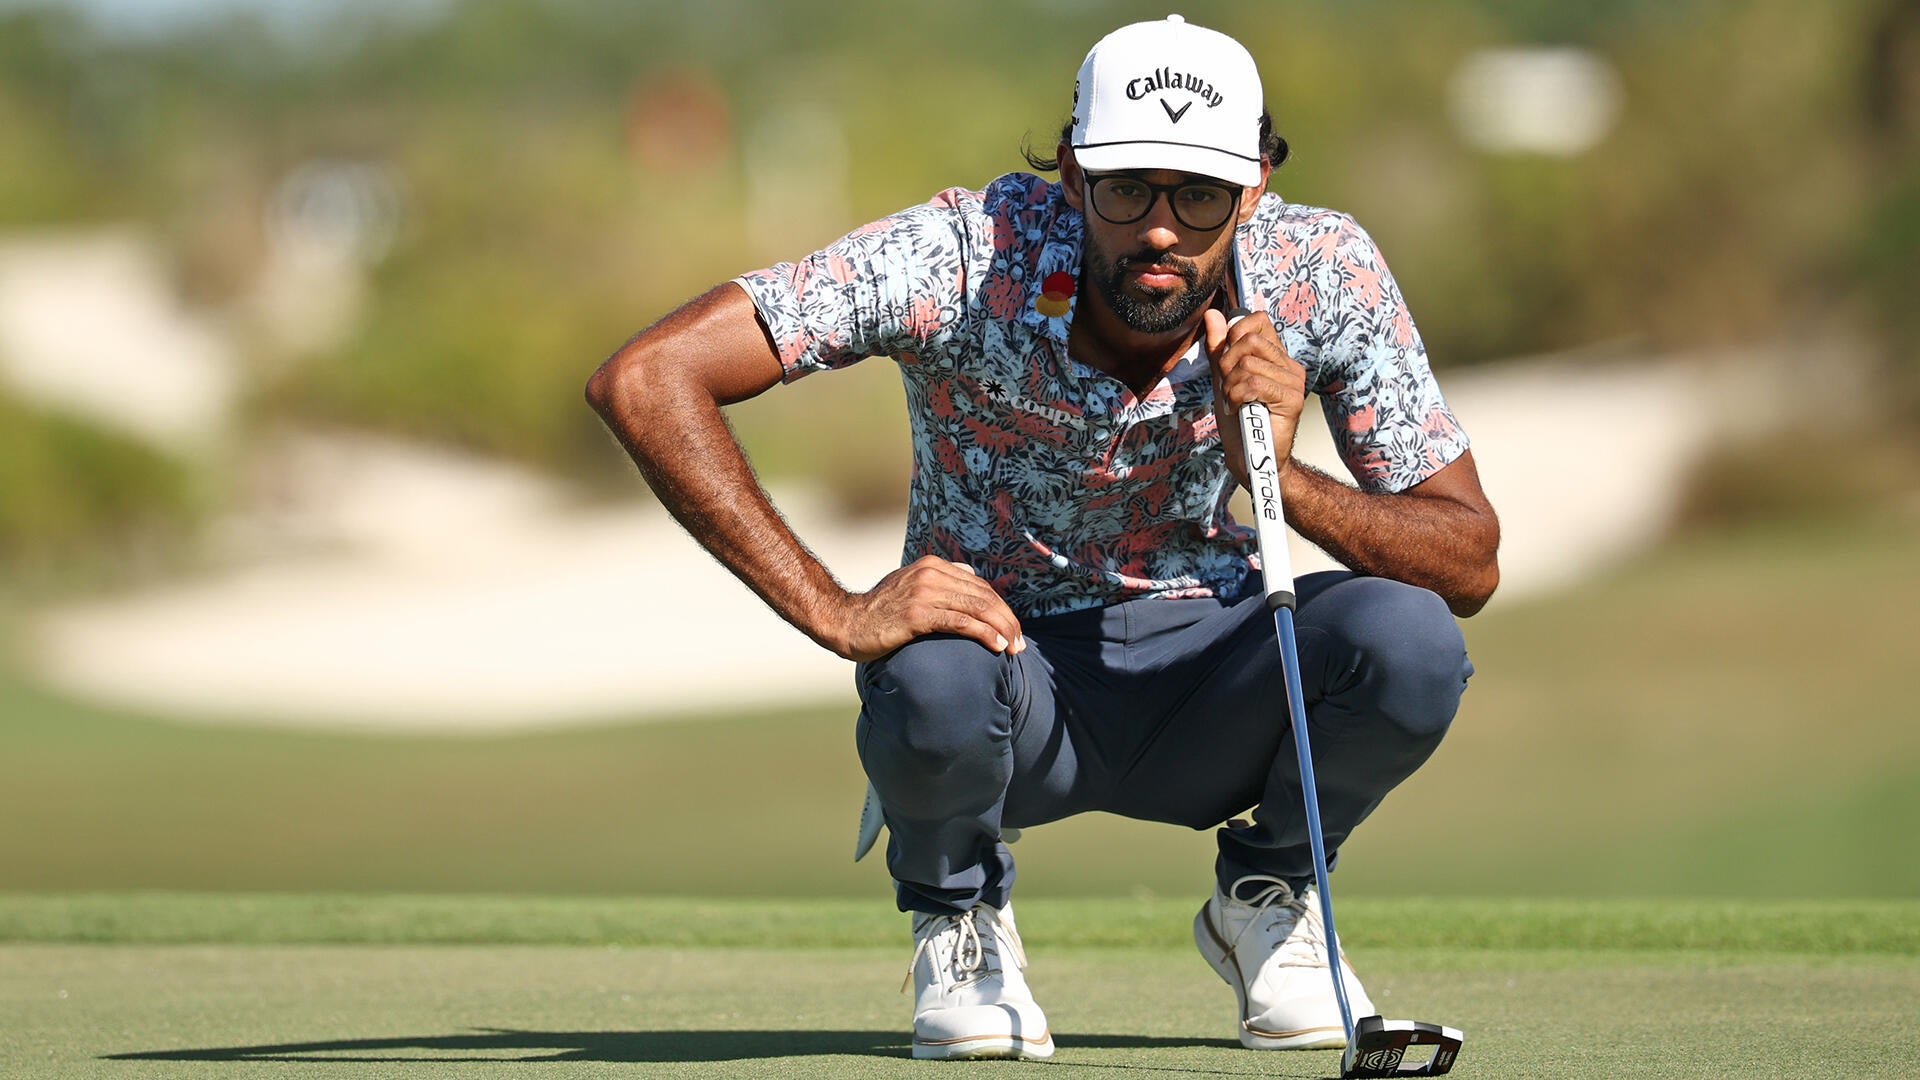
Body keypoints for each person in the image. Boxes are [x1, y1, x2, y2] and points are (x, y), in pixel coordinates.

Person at [586, 13, 1499, 1062]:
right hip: (1002, 690)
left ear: (1253, 186)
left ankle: (1270, 896)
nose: (1161, 230)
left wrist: (1281, 478)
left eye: (1199, 195)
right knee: (929, 677)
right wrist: (832, 609)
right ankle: (958, 911)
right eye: (1127, 189)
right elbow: (647, 378)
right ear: (1071, 173)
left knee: (1409, 641)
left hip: (1219, 685)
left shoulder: (1321, 269)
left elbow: (1468, 562)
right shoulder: (965, 255)